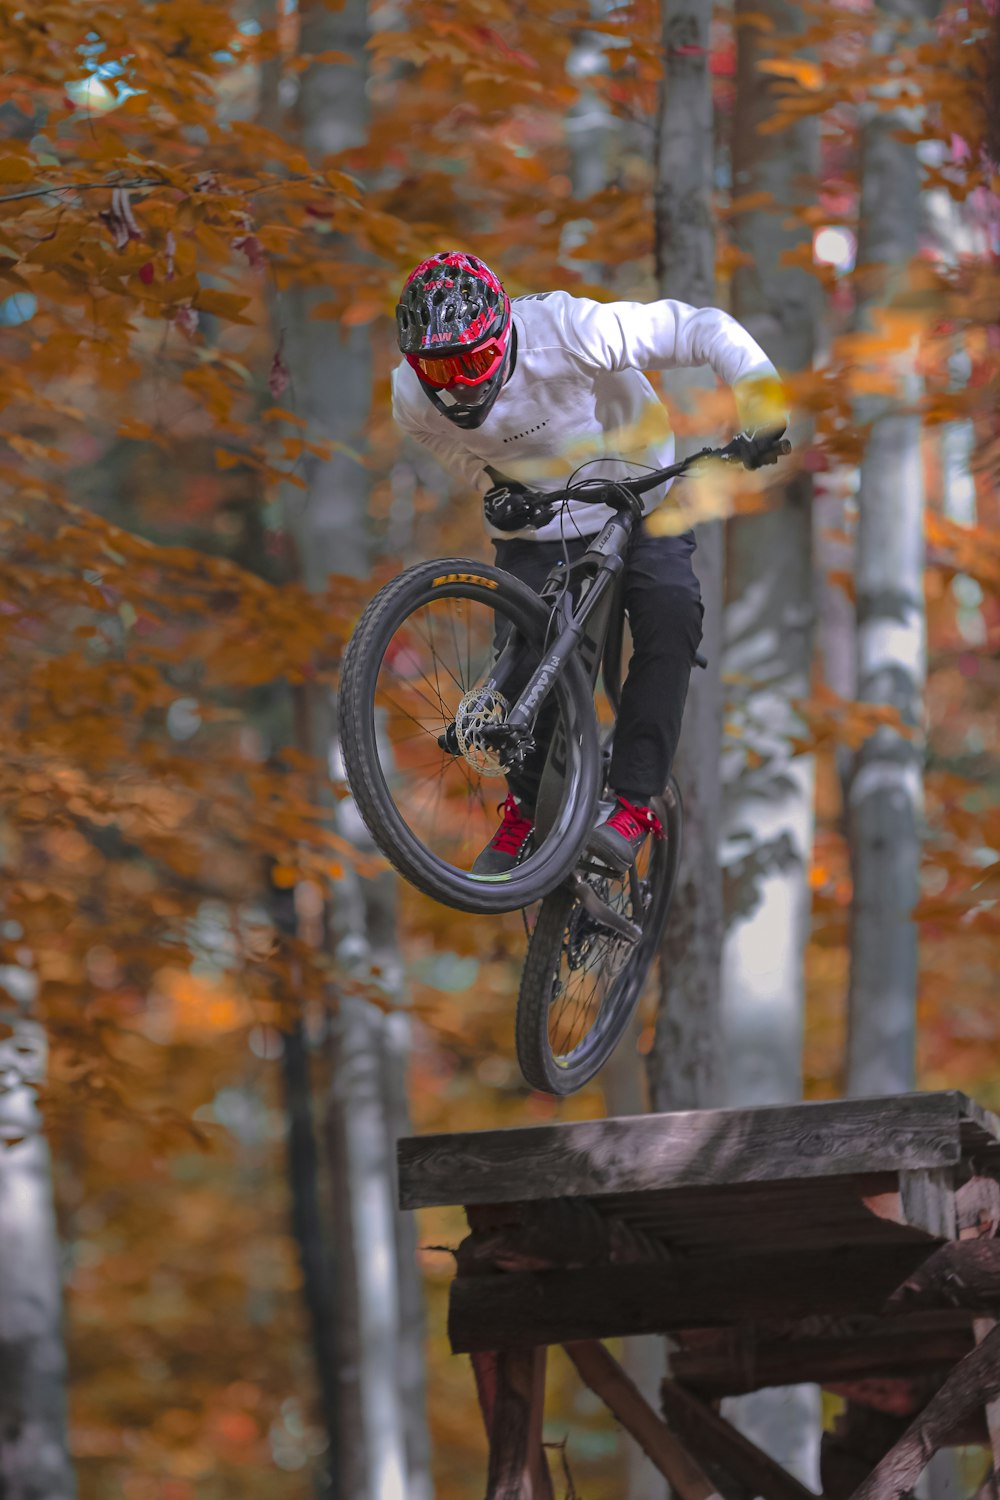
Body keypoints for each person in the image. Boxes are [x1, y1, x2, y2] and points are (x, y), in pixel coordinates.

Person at [391, 250, 786, 876]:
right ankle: (527, 806)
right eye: (437, 370)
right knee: (526, 657)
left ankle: (632, 805)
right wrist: (489, 481)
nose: (457, 384)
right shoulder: (413, 397)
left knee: (670, 612)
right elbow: (447, 440)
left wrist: (762, 402)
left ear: (503, 336)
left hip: (641, 495)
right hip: (540, 519)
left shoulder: (572, 331)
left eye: (471, 363)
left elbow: (698, 326)